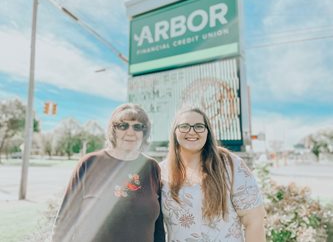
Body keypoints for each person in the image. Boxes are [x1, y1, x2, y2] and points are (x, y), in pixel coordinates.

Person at [52, 103, 165, 242]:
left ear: (144, 132)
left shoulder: (151, 167)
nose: (130, 132)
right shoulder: (88, 164)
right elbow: (65, 221)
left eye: (137, 127)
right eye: (123, 126)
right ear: (113, 130)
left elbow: (158, 226)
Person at [160, 107, 266, 242]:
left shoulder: (231, 165)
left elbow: (254, 220)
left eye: (199, 126)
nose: (192, 131)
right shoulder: (161, 171)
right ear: (174, 132)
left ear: (207, 132)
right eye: (184, 126)